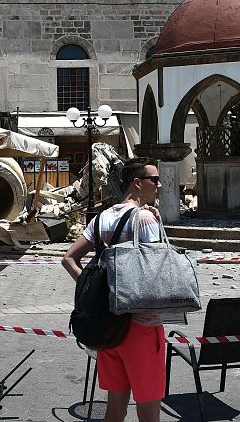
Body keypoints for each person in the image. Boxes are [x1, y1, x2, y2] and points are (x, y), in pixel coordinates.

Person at [62, 157, 165, 422]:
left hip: (108, 326)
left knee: (115, 406)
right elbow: (157, 271)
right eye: (154, 180)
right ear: (137, 182)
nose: (160, 185)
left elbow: (68, 259)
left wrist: (94, 289)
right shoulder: (145, 220)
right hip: (142, 325)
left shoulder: (101, 219)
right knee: (149, 410)